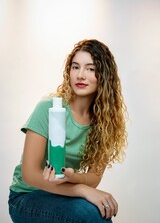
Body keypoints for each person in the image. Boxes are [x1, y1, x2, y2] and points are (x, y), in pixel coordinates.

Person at [8, 39, 128, 223]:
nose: (80, 75)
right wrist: (80, 189)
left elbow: (93, 178)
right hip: (26, 197)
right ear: (69, 72)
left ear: (104, 76)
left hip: (61, 194)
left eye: (90, 69)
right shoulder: (49, 108)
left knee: (98, 214)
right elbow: (29, 174)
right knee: (89, 215)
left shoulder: (106, 122)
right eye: (75, 67)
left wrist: (73, 177)